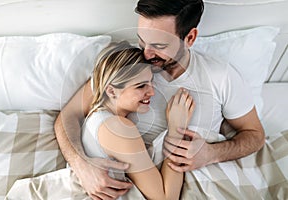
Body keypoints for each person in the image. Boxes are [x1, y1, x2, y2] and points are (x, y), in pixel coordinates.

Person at [54, 0, 265, 199]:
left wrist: (212, 153)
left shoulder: (221, 77)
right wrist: (81, 165)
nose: (146, 53)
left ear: (190, 38)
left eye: (159, 45)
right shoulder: (127, 66)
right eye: (142, 40)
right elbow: (68, 116)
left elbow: (255, 135)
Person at [80, 41, 195, 200]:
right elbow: (166, 198)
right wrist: (176, 129)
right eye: (141, 86)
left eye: (151, 82)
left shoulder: (96, 116)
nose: (152, 92)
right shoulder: (117, 128)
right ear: (112, 90)